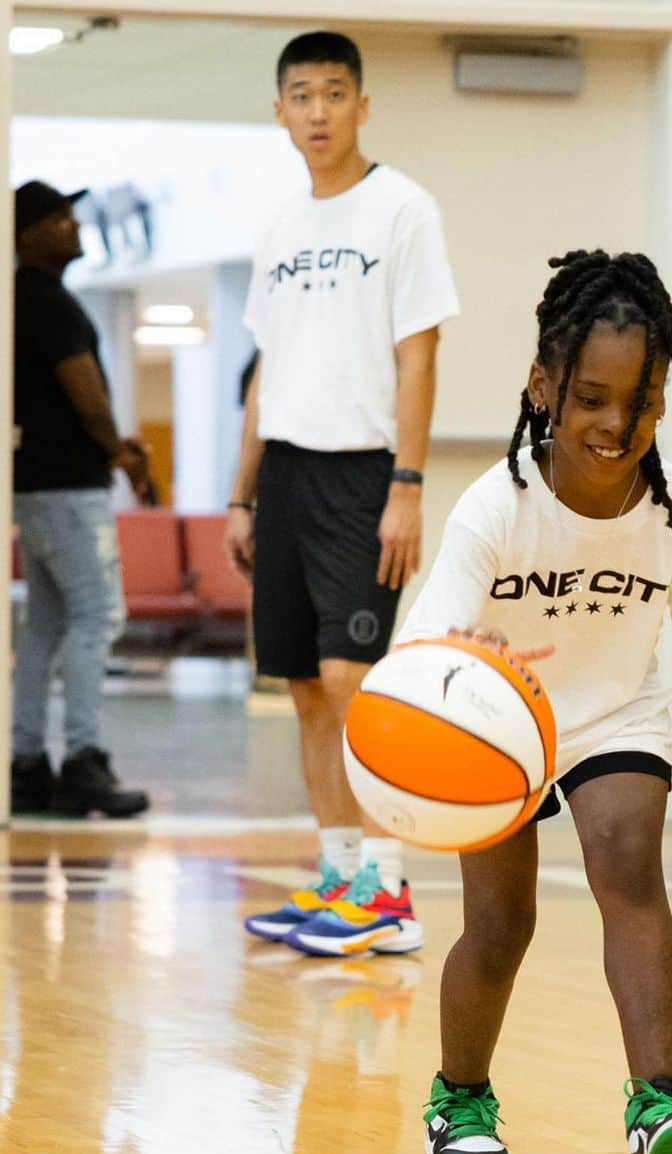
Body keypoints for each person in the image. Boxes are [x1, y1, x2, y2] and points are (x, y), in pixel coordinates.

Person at [291, 250, 672, 1154]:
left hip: (613, 716)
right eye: (592, 398)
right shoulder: (496, 507)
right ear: (544, 387)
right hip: (493, 724)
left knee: (628, 858)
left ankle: (657, 1108)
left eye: (639, 403)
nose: (615, 424)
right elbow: (429, 644)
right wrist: (477, 669)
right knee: (500, 922)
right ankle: (460, 1098)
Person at [228, 32, 459, 952]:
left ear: (363, 105)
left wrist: (407, 483)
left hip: (365, 473)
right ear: (279, 111)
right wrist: (240, 495)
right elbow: (264, 369)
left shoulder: (403, 210)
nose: (316, 110)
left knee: (352, 679)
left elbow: (419, 355)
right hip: (284, 470)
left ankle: (390, 893)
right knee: (302, 685)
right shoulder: (279, 225)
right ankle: (337, 882)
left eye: (333, 93)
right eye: (300, 95)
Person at [10, 181, 151, 818]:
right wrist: (120, 453)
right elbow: (86, 393)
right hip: (70, 488)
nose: (74, 225)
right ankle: (84, 763)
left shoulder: (17, 300)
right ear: (26, 234)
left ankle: (26, 765)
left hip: (33, 488)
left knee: (45, 626)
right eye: (58, 218)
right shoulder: (50, 303)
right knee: (98, 618)